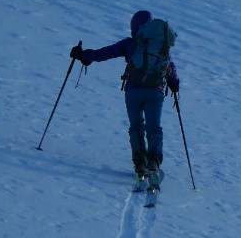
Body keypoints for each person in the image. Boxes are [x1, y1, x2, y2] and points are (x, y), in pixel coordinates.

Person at [71, 10, 180, 185]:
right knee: (154, 128)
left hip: (133, 92)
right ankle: (153, 163)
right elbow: (170, 68)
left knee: (136, 126)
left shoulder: (130, 44)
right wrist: (174, 83)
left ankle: (139, 165)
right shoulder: (160, 45)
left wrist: (84, 55)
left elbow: (105, 53)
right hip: (155, 92)